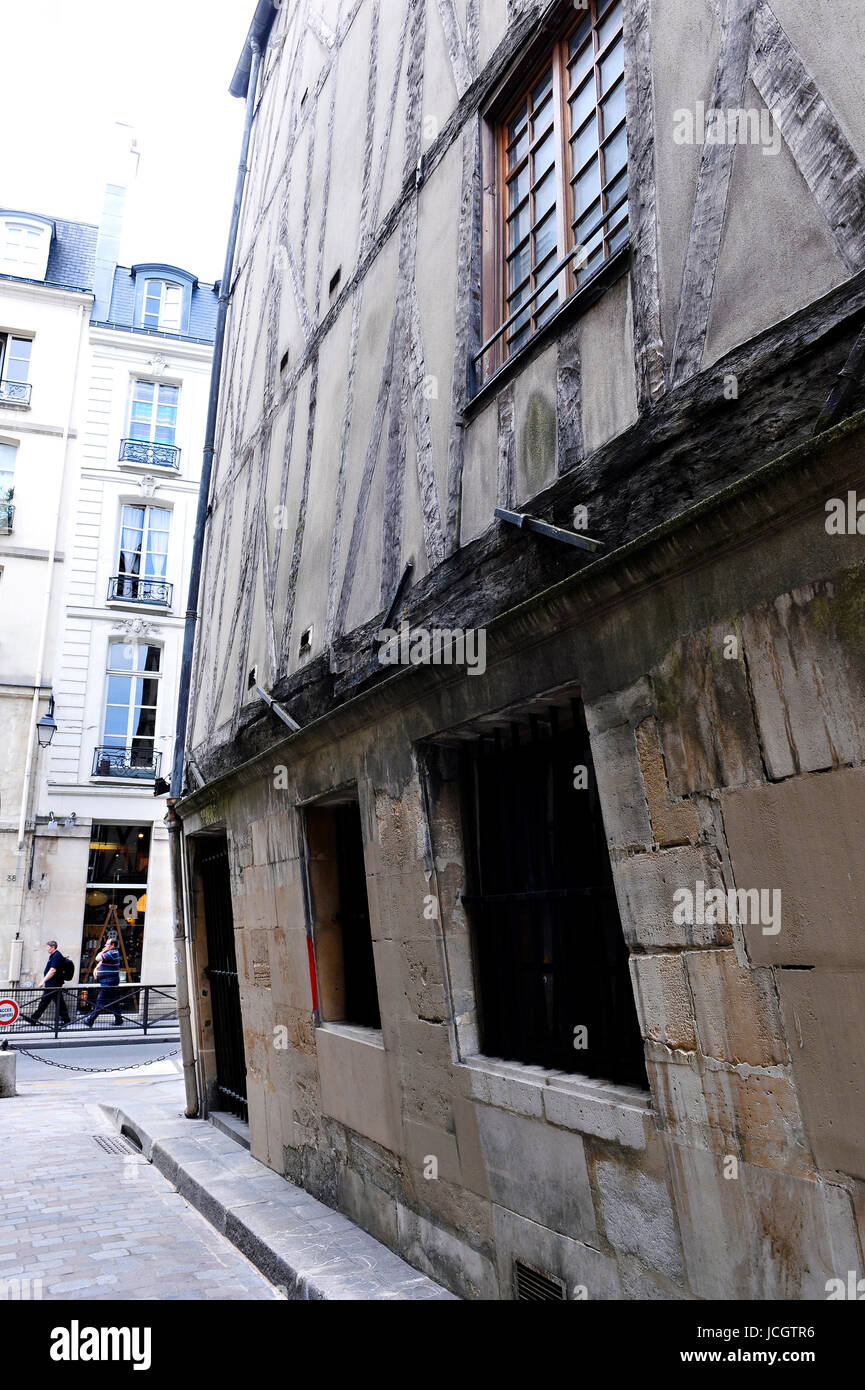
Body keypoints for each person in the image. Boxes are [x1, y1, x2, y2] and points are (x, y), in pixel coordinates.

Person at [22, 941, 70, 1029]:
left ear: (53, 947)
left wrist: (42, 981)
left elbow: (53, 970)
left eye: (47, 947)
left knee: (57, 1002)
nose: (46, 949)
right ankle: (34, 1018)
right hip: (51, 984)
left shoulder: (56, 956)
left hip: (54, 984)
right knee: (45, 1002)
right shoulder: (53, 956)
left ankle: (66, 1020)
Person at [83, 937, 124, 1028]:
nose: (105, 945)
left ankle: (90, 1020)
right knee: (113, 1001)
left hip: (108, 981)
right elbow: (101, 962)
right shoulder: (111, 953)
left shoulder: (112, 952)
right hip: (109, 980)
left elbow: (97, 958)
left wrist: (102, 951)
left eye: (107, 944)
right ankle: (119, 1019)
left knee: (101, 1000)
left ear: (112, 945)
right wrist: (96, 968)